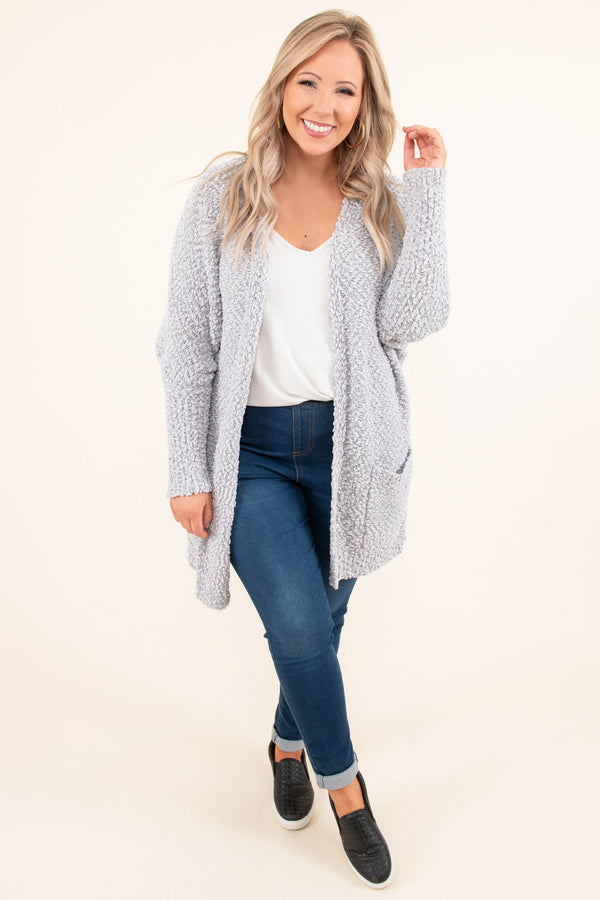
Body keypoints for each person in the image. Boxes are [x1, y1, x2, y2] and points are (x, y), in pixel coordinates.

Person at [155, 9, 450, 890]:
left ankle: (288, 742)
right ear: (282, 86)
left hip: (353, 451)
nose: (323, 104)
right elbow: (188, 342)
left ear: (366, 105)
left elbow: (413, 319)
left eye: (344, 90)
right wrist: (188, 468)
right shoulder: (223, 196)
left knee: (323, 625)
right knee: (297, 622)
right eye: (308, 82)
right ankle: (346, 788)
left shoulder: (378, 203)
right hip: (250, 455)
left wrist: (428, 195)